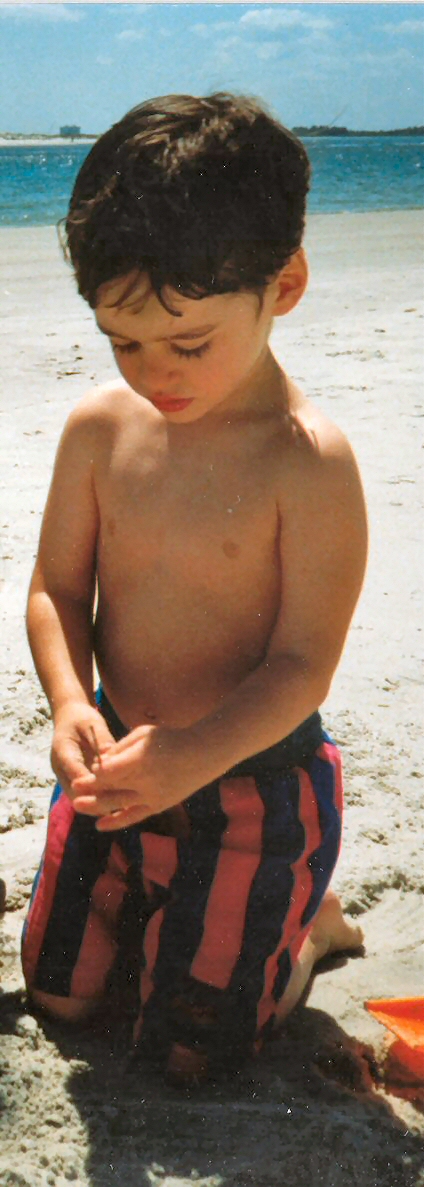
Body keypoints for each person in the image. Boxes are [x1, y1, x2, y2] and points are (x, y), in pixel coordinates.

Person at [21, 93, 367, 1086]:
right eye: (122, 341)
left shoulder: (306, 462)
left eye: (188, 343)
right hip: (119, 769)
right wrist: (72, 700)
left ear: (283, 285)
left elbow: (302, 664)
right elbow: (56, 588)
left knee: (190, 1052)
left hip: (255, 785)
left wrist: (196, 754)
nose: (152, 374)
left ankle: (307, 932)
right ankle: (171, 910)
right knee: (59, 996)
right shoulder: (101, 430)